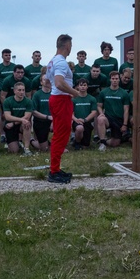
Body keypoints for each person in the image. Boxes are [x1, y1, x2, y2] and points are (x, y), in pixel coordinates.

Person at [46, 34, 83, 183]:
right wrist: (75, 92)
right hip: (61, 99)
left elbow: (48, 81)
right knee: (61, 135)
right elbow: (59, 82)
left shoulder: (52, 61)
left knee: (61, 134)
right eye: (71, 46)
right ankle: (54, 172)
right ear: (67, 46)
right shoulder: (61, 62)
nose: (71, 49)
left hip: (57, 98)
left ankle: (56, 168)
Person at [96, 70, 131, 150]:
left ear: (119, 79)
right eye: (113, 78)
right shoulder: (104, 92)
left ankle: (109, 140)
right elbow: (99, 106)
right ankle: (102, 142)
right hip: (108, 118)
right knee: (100, 119)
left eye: (116, 79)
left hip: (119, 119)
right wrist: (101, 113)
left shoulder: (124, 93)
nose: (114, 80)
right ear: (110, 79)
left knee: (115, 143)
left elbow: (126, 110)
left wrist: (125, 124)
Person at [1, 81, 34, 154]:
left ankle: (27, 148)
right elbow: (7, 117)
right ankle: (14, 142)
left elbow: (27, 117)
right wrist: (20, 120)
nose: (22, 92)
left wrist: (14, 123)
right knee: (14, 151)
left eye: (23, 90)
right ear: (14, 91)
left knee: (26, 124)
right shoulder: (8, 101)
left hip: (19, 124)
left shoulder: (28, 101)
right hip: (10, 126)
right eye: (19, 90)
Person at [71, 79, 98, 149]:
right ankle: (77, 142)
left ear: (87, 87)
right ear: (78, 87)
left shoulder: (92, 99)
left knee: (85, 146)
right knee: (80, 128)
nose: (82, 87)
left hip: (87, 122)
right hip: (77, 122)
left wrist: (85, 120)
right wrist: (76, 120)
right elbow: (71, 113)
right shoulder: (74, 99)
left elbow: (94, 112)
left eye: (84, 85)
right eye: (81, 85)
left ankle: (77, 141)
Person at [30, 76, 53, 152]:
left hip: (53, 121)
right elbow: (33, 111)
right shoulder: (37, 94)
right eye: (44, 79)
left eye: (48, 79)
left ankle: (56, 145)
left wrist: (53, 120)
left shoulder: (54, 93)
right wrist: (47, 117)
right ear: (41, 82)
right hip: (41, 121)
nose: (47, 81)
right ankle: (32, 141)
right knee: (44, 149)